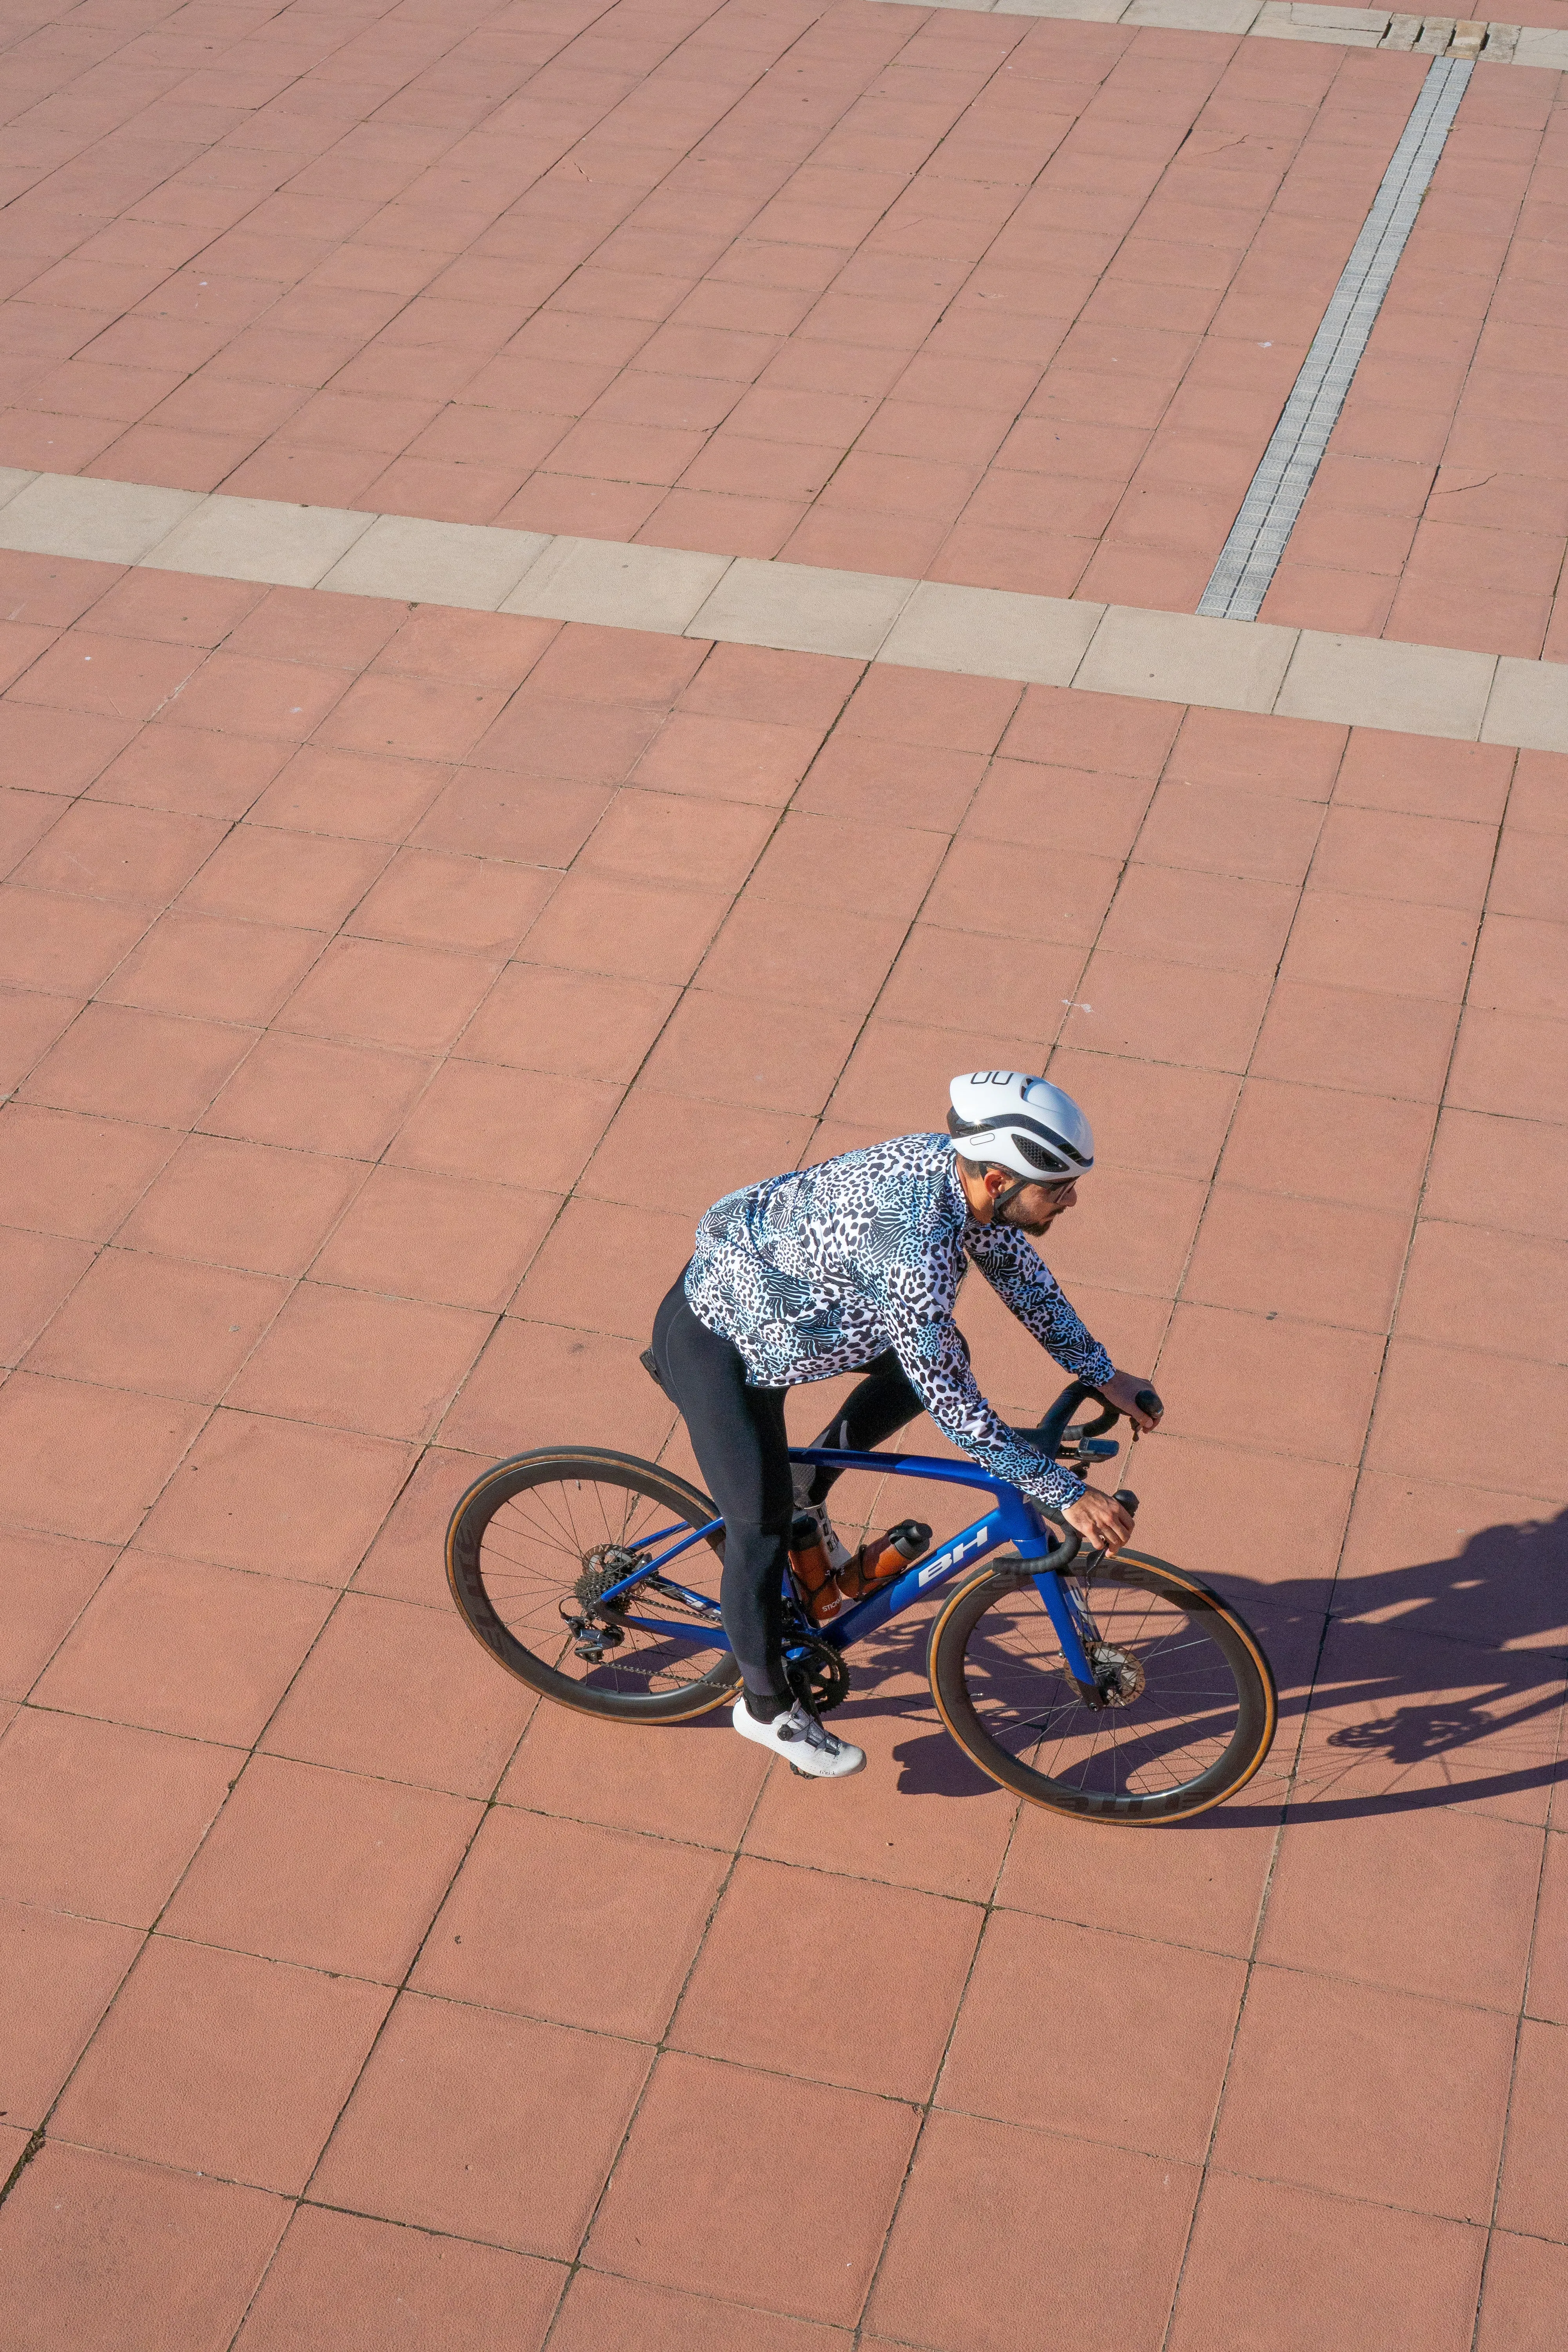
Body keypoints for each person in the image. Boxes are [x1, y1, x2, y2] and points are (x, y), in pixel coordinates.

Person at [646, 1070, 1161, 1780]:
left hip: (794, 1312)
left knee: (917, 1373)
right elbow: (955, 1408)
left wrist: (1103, 1373)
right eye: (1058, 1188)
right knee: (759, 1533)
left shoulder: (958, 1180)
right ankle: (764, 1709)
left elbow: (1020, 1277)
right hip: (722, 1346)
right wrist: (1062, 1492)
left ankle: (806, 1479)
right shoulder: (914, 1246)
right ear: (995, 1178)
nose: (1070, 1201)